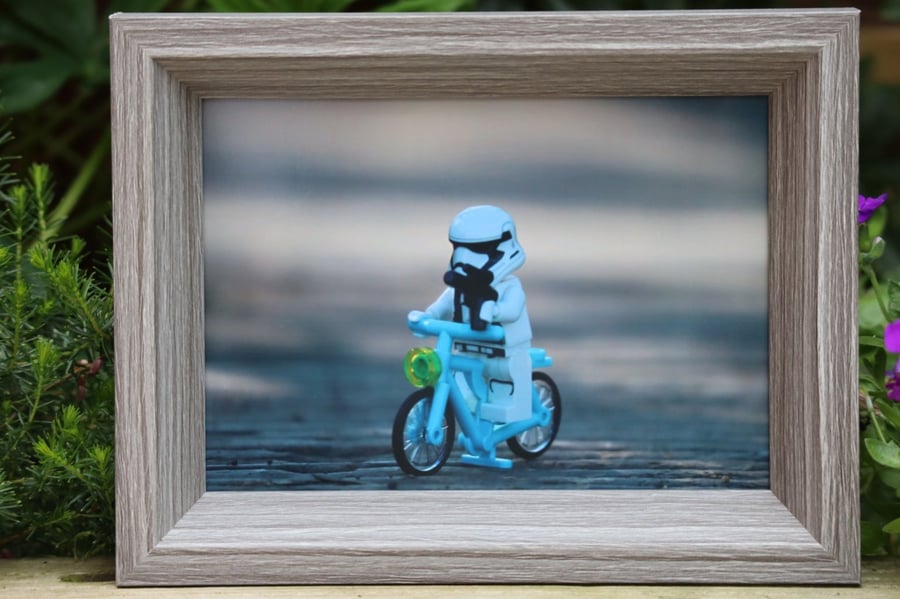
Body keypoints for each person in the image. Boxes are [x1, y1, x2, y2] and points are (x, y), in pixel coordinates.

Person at [417, 205, 532, 423]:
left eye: (479, 248)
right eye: (458, 247)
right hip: (468, 347)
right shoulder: (459, 289)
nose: (463, 258)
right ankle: (476, 421)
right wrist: (427, 316)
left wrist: (495, 310)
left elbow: (513, 309)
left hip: (504, 351)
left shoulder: (510, 286)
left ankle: (502, 421)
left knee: (503, 390)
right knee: (458, 381)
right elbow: (442, 305)